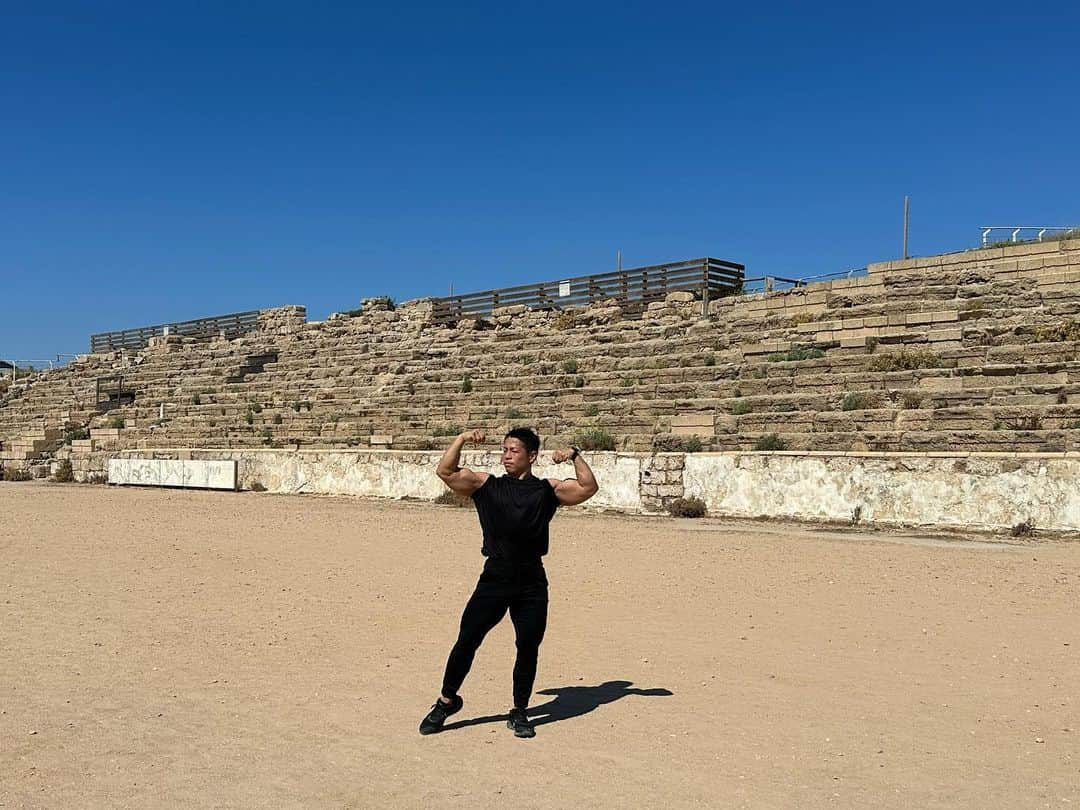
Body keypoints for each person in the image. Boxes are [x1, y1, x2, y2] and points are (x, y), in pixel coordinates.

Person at [418, 426, 599, 739]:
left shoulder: (547, 490)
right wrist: (461, 438)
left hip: (531, 580)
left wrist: (574, 456)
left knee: (527, 647)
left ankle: (519, 710)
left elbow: (587, 488)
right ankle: (447, 701)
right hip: (495, 576)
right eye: (504, 450)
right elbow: (445, 471)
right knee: (467, 639)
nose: (506, 456)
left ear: (532, 456)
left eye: (514, 451)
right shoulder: (486, 485)